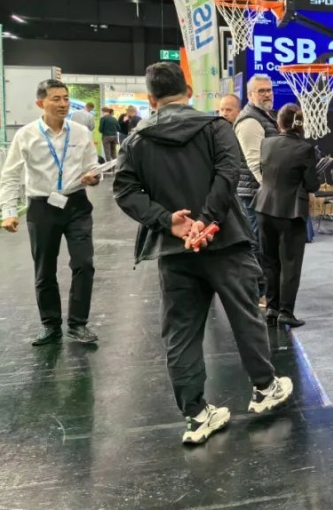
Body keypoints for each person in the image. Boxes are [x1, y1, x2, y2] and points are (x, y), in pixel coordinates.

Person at [113, 62, 293, 446]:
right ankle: (265, 387)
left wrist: (170, 221)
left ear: (151, 99)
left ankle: (196, 415)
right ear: (190, 91)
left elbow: (125, 192)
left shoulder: (136, 140)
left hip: (174, 249)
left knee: (181, 332)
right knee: (245, 315)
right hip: (225, 242)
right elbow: (228, 175)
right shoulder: (215, 127)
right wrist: (207, 222)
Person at [0, 79, 101, 345]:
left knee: (84, 264)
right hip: (42, 206)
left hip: (76, 204)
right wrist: (9, 210)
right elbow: (10, 175)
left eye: (66, 98)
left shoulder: (80, 132)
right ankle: (50, 325)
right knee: (44, 269)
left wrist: (93, 177)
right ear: (40, 103)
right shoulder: (27, 135)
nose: (63, 104)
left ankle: (78, 324)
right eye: (56, 99)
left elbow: (92, 166)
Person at [254, 104, 319, 327]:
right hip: (291, 211)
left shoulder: (266, 143)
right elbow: (312, 184)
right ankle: (286, 311)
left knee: (270, 260)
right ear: (301, 125)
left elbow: (264, 172)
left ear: (279, 123)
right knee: (290, 263)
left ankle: (272, 308)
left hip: (264, 207)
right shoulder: (305, 149)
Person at [234, 75, 279, 301]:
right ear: (250, 94)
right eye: (261, 91)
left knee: (265, 244)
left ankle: (264, 292)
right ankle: (258, 293)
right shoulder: (250, 121)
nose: (267, 94)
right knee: (257, 244)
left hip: (262, 193)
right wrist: (271, 190)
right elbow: (254, 162)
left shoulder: (265, 116)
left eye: (269, 90)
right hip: (255, 193)